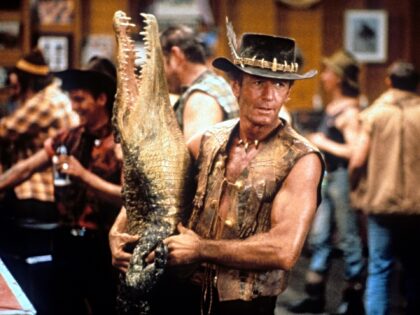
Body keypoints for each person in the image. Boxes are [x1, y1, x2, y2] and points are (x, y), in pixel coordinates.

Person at [111, 28, 324, 315]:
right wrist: (117, 230)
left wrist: (201, 249)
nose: (269, 96)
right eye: (259, 82)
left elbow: (284, 250)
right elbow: (156, 180)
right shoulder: (209, 139)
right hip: (184, 291)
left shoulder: (301, 158)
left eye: (279, 85)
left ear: (288, 92)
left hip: (245, 304)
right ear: (236, 86)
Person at [0, 57, 123, 315]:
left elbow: (127, 199)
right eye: (73, 100)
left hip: (105, 248)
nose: (74, 107)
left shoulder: (122, 143)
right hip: (67, 241)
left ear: (101, 99)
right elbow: (26, 168)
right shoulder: (70, 137)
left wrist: (83, 176)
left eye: (80, 100)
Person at [0, 48, 78, 315]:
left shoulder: (45, 100)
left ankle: (20, 302)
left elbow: (5, 130)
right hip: (54, 189)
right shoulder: (52, 95)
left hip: (42, 191)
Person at [288, 50, 365, 315]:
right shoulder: (335, 107)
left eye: (331, 72)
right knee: (319, 235)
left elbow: (355, 152)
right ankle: (314, 295)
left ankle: (352, 300)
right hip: (329, 177)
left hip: (341, 177)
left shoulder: (350, 112)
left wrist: (323, 143)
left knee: (348, 237)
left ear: (341, 78)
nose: (326, 76)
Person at [349, 61, 420, 315]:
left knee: (380, 267)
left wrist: (354, 189)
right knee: (415, 268)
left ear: (389, 82)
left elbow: (357, 161)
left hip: (381, 204)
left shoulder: (375, 114)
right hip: (417, 208)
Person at [160, 24, 239, 141]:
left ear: (176, 56)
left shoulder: (201, 98)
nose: (161, 73)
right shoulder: (214, 83)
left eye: (160, 63)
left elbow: (202, 155)